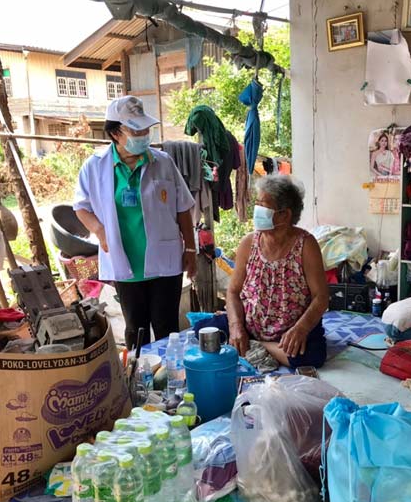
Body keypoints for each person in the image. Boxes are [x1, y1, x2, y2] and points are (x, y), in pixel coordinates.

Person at [73, 95, 197, 349]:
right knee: (135, 329)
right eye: (135, 130)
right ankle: (138, 372)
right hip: (124, 261)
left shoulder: (163, 162)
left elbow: (183, 207)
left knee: (166, 327)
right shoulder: (94, 166)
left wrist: (191, 249)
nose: (143, 135)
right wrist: (99, 231)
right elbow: (81, 207)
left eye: (145, 130)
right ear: (115, 133)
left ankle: (167, 372)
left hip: (165, 261)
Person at [198, 175, 329, 368]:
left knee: (311, 357)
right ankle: (255, 343)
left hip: (290, 329)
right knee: (204, 332)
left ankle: (259, 346)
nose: (256, 210)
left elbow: (321, 298)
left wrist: (301, 329)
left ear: (285, 215)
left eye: (263, 205)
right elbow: (233, 292)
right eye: (257, 204)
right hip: (250, 325)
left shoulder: (306, 245)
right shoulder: (249, 243)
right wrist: (236, 327)